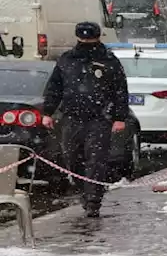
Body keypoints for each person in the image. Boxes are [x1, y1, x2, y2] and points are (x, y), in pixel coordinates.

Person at [41, 21, 130, 219]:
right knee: (72, 159)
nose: (86, 41)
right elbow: (55, 87)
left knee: (96, 161)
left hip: (99, 118)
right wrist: (48, 112)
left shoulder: (109, 60)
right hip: (72, 117)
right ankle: (85, 191)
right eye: (83, 38)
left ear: (97, 38)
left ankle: (93, 200)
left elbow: (120, 91)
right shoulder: (67, 60)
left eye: (90, 38)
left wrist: (119, 117)